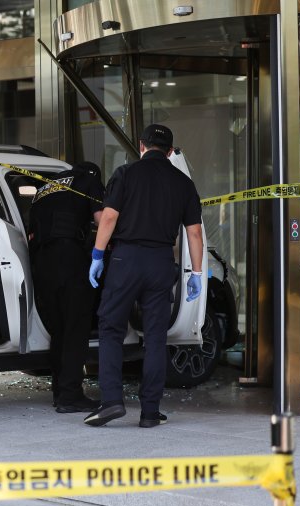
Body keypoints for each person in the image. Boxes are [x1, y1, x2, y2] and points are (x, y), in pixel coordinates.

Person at [84, 124, 203, 428]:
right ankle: (150, 412)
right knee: (155, 337)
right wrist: (197, 274)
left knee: (111, 327)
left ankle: (111, 401)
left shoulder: (126, 174)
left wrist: (98, 254)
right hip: (162, 261)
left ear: (141, 146)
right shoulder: (183, 183)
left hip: (126, 258)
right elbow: (194, 233)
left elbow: (109, 216)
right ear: (170, 151)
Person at [28, 161, 105, 413]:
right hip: (69, 259)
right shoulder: (89, 181)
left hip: (43, 263)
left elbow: (31, 233)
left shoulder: (45, 187)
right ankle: (71, 396)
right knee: (76, 329)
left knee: (59, 331)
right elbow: (102, 219)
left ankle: (60, 392)